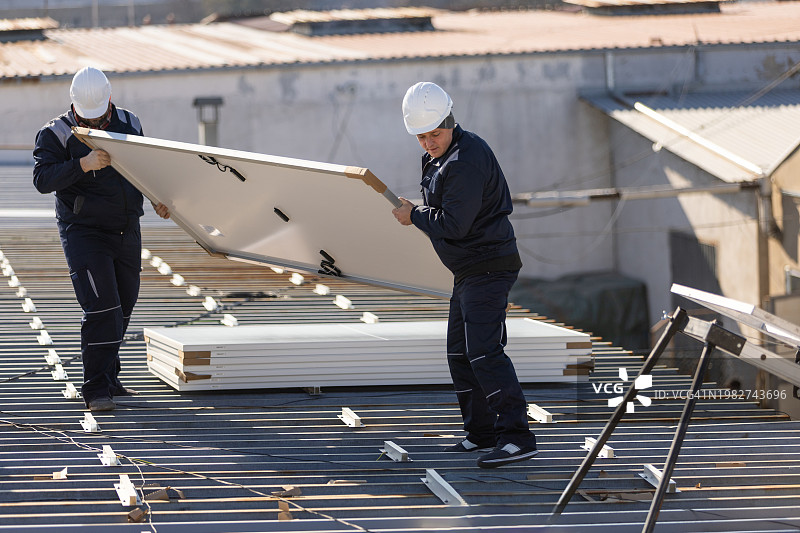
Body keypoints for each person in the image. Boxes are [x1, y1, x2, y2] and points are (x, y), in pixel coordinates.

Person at [392, 82, 537, 468]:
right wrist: (421, 211)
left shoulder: (465, 161)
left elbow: (454, 224)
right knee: (460, 353)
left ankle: (517, 437)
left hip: (488, 267)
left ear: (450, 121)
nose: (428, 142)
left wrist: (414, 214)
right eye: (421, 136)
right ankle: (482, 435)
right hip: (470, 270)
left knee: (485, 352)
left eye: (434, 134)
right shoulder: (442, 157)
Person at [33, 66, 170, 412]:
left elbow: (145, 167)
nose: (95, 125)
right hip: (83, 231)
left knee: (123, 306)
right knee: (102, 306)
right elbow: (41, 179)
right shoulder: (55, 134)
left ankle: (111, 378)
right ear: (74, 107)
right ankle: (95, 388)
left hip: (126, 227)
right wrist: (83, 164)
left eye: (100, 118)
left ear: (109, 101)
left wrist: (158, 198)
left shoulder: (130, 123)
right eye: (87, 119)